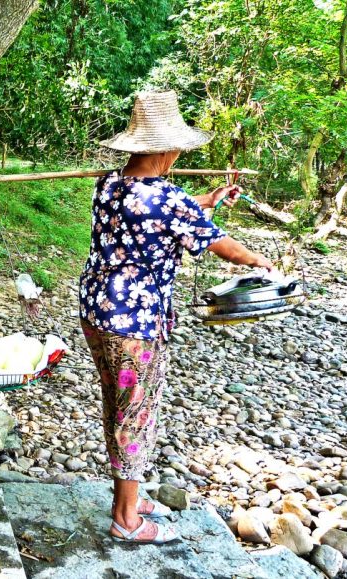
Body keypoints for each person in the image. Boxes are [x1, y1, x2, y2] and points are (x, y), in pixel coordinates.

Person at [78, 91, 274, 544]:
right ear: (167, 152)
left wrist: (206, 199)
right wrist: (258, 262)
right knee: (135, 414)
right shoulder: (169, 199)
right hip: (135, 323)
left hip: (97, 309)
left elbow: (162, 211)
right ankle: (126, 519)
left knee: (120, 402)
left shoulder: (109, 184)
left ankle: (127, 495)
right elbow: (222, 245)